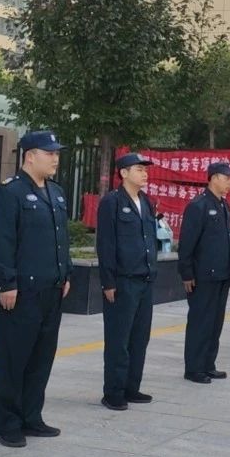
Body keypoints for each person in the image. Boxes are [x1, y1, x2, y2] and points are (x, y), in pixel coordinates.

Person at [0, 130, 73, 447]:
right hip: (22, 292)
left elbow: (61, 239)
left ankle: (31, 416)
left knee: (41, 357)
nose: (55, 159)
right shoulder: (10, 192)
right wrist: (7, 282)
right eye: (49, 153)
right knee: (13, 358)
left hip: (52, 288)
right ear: (30, 156)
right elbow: (2, 241)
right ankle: (7, 423)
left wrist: (66, 273)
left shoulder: (56, 192)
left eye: (57, 153)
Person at [95, 152, 158, 411]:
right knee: (118, 340)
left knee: (139, 337)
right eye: (139, 169)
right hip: (123, 281)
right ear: (123, 173)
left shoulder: (146, 202)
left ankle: (132, 387)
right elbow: (106, 244)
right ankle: (114, 392)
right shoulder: (112, 202)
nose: (144, 173)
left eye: (145, 169)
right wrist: (108, 281)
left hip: (145, 279)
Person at [178, 161, 230, 383]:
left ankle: (208, 364)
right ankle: (194, 368)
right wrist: (187, 273)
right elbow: (187, 243)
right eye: (226, 178)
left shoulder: (224, 205)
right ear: (213, 178)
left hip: (222, 274)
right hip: (203, 275)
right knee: (200, 322)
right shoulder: (198, 206)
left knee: (215, 323)